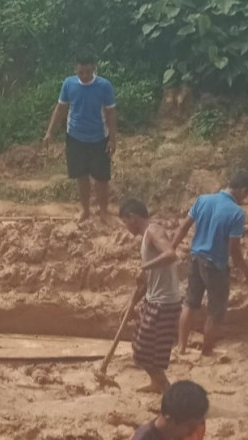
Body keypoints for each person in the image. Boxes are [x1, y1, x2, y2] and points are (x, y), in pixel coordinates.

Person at [172, 173, 248, 356]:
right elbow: (234, 250)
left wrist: (171, 248)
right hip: (215, 265)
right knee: (215, 310)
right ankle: (207, 351)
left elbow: (183, 227)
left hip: (195, 259)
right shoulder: (236, 213)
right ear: (243, 190)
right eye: (247, 194)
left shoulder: (203, 200)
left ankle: (181, 347)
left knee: (190, 303)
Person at [43, 52, 118, 223]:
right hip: (75, 138)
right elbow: (60, 109)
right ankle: (85, 210)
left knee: (101, 177)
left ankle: (104, 211)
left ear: (94, 69)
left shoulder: (104, 86)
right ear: (75, 69)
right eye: (81, 72)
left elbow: (111, 113)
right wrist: (50, 132)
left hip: (99, 138)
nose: (84, 76)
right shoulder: (68, 84)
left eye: (88, 72)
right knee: (81, 175)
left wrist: (113, 139)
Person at [120, 199, 181, 394]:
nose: (126, 227)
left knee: (146, 350)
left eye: (125, 222)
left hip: (164, 302)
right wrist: (133, 302)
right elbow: (148, 278)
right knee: (142, 348)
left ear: (132, 217)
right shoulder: (146, 237)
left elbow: (170, 255)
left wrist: (144, 267)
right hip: (153, 299)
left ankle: (165, 387)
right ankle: (158, 383)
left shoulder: (154, 231)